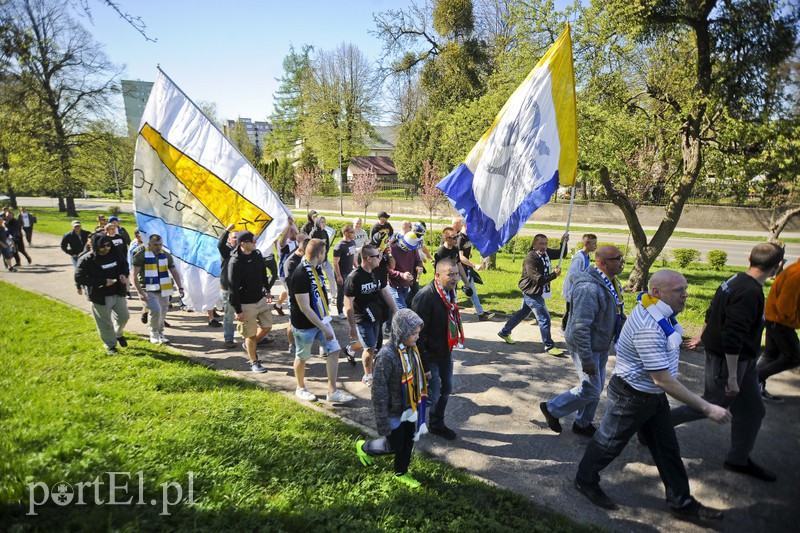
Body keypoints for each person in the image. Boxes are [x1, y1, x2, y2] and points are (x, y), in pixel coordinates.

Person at [574, 270, 731, 523]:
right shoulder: (649, 327)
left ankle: (681, 502)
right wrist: (707, 408)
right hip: (632, 397)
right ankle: (584, 479)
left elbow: (661, 377)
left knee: (668, 448)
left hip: (652, 396)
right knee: (608, 444)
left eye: (685, 288)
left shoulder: (656, 310)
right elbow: (663, 380)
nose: (686, 294)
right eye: (679, 289)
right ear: (656, 292)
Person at [671, 242, 784, 482]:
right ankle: (653, 425)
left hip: (745, 362)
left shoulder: (734, 280)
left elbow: (712, 312)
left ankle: (738, 459)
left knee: (753, 410)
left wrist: (702, 334)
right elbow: (733, 335)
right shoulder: (749, 292)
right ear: (778, 266)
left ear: (749, 260)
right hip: (728, 362)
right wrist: (732, 377)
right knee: (711, 404)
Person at [540, 246, 625, 436]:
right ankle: (552, 408)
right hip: (585, 346)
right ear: (602, 262)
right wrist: (586, 359)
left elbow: (614, 308)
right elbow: (580, 327)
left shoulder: (612, 281)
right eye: (617, 258)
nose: (622, 262)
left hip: (600, 343)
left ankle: (582, 423)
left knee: (596, 386)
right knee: (591, 390)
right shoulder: (589, 288)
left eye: (622, 258)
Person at [355, 309, 428, 488]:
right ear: (401, 331)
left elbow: (413, 371)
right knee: (394, 444)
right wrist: (382, 420)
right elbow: (378, 391)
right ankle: (365, 448)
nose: (417, 337)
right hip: (393, 411)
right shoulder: (387, 356)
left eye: (418, 333)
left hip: (410, 406)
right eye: (413, 333)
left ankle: (401, 472)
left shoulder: (411, 348)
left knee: (408, 440)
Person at [289, 238, 355, 403]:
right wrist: (324, 328)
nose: (326, 255)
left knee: (333, 351)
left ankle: (332, 391)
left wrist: (325, 322)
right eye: (324, 252)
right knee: (302, 356)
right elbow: (304, 307)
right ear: (319, 254)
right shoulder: (300, 273)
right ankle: (300, 388)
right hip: (304, 325)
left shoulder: (315, 268)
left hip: (321, 320)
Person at [410, 258, 464, 441]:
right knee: (432, 393)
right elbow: (417, 335)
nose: (455, 278)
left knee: (447, 387)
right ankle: (406, 422)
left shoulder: (449, 292)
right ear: (437, 275)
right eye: (450, 274)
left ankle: (436, 423)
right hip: (429, 355)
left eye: (456, 274)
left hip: (444, 351)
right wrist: (424, 367)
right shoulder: (426, 296)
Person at [497, 234, 566, 355]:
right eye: (540, 243)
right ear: (534, 245)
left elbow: (562, 254)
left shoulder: (546, 253)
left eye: (545, 243)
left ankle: (504, 332)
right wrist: (554, 275)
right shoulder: (531, 258)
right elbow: (538, 279)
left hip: (537, 290)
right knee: (544, 318)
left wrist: (563, 242)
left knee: (523, 312)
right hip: (531, 291)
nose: (544, 246)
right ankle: (549, 346)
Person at [345, 243, 398, 387]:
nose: (380, 258)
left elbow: (384, 291)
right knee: (369, 348)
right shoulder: (354, 278)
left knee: (372, 344)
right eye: (377, 256)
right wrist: (352, 327)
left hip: (375, 314)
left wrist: (395, 309)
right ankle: (367, 375)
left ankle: (350, 349)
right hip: (361, 318)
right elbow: (348, 304)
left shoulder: (377, 272)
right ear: (368, 258)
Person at [74, 233, 131, 354]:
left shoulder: (115, 253)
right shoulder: (86, 259)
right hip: (100, 296)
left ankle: (118, 333)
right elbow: (79, 278)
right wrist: (103, 282)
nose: (106, 249)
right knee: (105, 322)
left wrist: (123, 275)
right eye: (102, 246)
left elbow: (124, 265)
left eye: (108, 245)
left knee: (124, 316)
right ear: (95, 246)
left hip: (117, 292)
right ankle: (110, 346)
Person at [228, 231, 274, 372]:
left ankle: (249, 344)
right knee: (250, 335)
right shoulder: (234, 262)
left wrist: (267, 289)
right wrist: (238, 310)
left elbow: (262, 273)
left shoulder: (257, 255)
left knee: (267, 327)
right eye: (252, 241)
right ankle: (254, 361)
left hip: (260, 299)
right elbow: (232, 288)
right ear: (243, 244)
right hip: (246, 304)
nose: (255, 243)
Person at [758, 255, 800, 402]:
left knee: (770, 355)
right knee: (794, 357)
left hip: (774, 320)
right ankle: (753, 380)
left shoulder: (795, 270)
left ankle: (754, 386)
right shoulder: (796, 275)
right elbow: (785, 309)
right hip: (780, 323)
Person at [132, 234, 185, 345]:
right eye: (155, 245)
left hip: (163, 288)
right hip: (147, 288)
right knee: (156, 310)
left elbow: (174, 271)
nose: (158, 247)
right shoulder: (141, 255)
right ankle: (153, 332)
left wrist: (180, 287)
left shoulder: (165, 255)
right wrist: (140, 292)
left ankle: (160, 333)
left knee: (163, 312)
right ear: (149, 245)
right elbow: (133, 275)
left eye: (160, 244)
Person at [453, 218, 494, 321]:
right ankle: (450, 313)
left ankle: (481, 313)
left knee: (471, 289)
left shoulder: (469, 236)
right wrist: (474, 265)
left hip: (465, 268)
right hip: (456, 268)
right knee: (451, 291)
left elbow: (465, 252)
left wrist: (469, 253)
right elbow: (461, 257)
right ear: (465, 226)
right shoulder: (460, 238)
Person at [561, 234, 598, 330]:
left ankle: (568, 327)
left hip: (579, 287)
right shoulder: (578, 258)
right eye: (594, 244)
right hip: (573, 288)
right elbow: (572, 275)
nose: (596, 246)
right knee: (570, 309)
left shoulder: (586, 256)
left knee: (573, 309)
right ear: (587, 244)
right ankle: (564, 328)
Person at [284, 232, 309, 355]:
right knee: (293, 321)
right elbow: (290, 284)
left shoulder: (307, 258)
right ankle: (292, 344)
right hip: (295, 296)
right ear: (301, 248)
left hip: (308, 294)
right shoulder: (291, 262)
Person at [387, 230, 423, 310]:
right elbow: (387, 270)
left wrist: (419, 267)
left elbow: (418, 261)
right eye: (408, 248)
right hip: (394, 287)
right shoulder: (392, 249)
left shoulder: (413, 248)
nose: (410, 250)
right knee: (402, 311)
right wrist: (401, 275)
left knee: (394, 313)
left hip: (407, 286)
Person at [217, 223, 238, 349]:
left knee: (250, 314)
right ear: (229, 239)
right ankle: (229, 338)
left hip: (241, 289)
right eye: (234, 237)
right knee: (229, 316)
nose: (236, 239)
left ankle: (254, 337)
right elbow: (220, 245)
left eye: (237, 237)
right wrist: (227, 231)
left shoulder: (242, 251)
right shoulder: (227, 251)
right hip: (227, 289)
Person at [333, 223, 358, 320]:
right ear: (345, 233)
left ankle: (351, 309)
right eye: (352, 232)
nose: (353, 234)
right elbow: (335, 263)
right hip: (341, 273)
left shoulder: (352, 242)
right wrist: (338, 276)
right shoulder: (339, 246)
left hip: (350, 271)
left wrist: (357, 267)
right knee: (341, 292)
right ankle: (340, 311)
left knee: (352, 291)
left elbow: (353, 256)